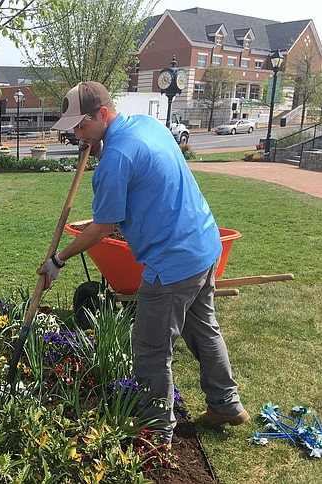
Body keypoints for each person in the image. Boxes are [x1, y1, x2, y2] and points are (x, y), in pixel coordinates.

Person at [37, 81, 249, 444]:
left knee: (151, 347)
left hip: (173, 262)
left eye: (81, 126)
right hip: (204, 244)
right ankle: (226, 404)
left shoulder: (116, 160)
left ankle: (155, 431)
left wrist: (58, 259)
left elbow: (103, 225)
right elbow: (142, 173)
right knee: (203, 329)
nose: (76, 134)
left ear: (102, 115)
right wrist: (101, 146)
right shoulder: (146, 126)